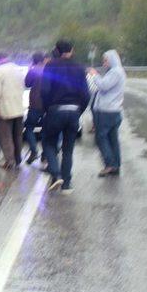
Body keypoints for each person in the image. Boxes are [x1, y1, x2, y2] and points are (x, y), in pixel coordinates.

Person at [41, 41, 90, 194]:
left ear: (56, 50)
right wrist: (80, 110)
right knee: (68, 149)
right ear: (72, 50)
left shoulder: (50, 65)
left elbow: (45, 90)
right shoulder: (80, 68)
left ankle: (56, 174)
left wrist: (48, 108)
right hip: (74, 111)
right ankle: (67, 184)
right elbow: (86, 93)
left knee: (48, 143)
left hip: (55, 110)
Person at [88, 50, 126, 177]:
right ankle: (115, 165)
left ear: (112, 60)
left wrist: (94, 75)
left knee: (101, 138)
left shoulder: (115, 72)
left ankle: (109, 164)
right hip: (113, 111)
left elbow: (103, 86)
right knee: (112, 139)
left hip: (107, 111)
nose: (103, 63)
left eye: (105, 60)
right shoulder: (117, 72)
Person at [0, 53, 26, 169]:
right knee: (17, 135)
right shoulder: (18, 70)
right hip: (19, 107)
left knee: (5, 136)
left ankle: (10, 161)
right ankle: (18, 158)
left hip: (4, 109)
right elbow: (23, 87)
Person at [24, 51, 47, 165]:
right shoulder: (49, 69)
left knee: (29, 128)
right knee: (45, 129)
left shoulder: (33, 70)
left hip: (34, 104)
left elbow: (27, 84)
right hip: (47, 105)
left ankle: (34, 151)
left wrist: (29, 70)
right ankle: (45, 155)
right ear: (43, 59)